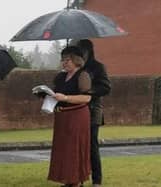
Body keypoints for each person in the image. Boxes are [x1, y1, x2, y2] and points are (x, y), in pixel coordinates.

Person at [47, 46, 92, 187]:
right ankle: (67, 179)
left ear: (76, 60)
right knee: (63, 150)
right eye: (63, 60)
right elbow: (55, 93)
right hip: (62, 117)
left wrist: (65, 97)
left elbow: (86, 98)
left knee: (74, 149)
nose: (64, 63)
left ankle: (76, 180)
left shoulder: (83, 75)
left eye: (67, 60)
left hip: (77, 116)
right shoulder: (61, 76)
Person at [74, 39, 111, 187]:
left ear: (88, 51)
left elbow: (106, 87)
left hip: (93, 110)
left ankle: (97, 180)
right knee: (77, 146)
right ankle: (78, 178)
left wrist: (89, 92)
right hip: (76, 110)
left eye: (81, 50)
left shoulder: (97, 67)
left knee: (92, 146)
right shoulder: (76, 68)